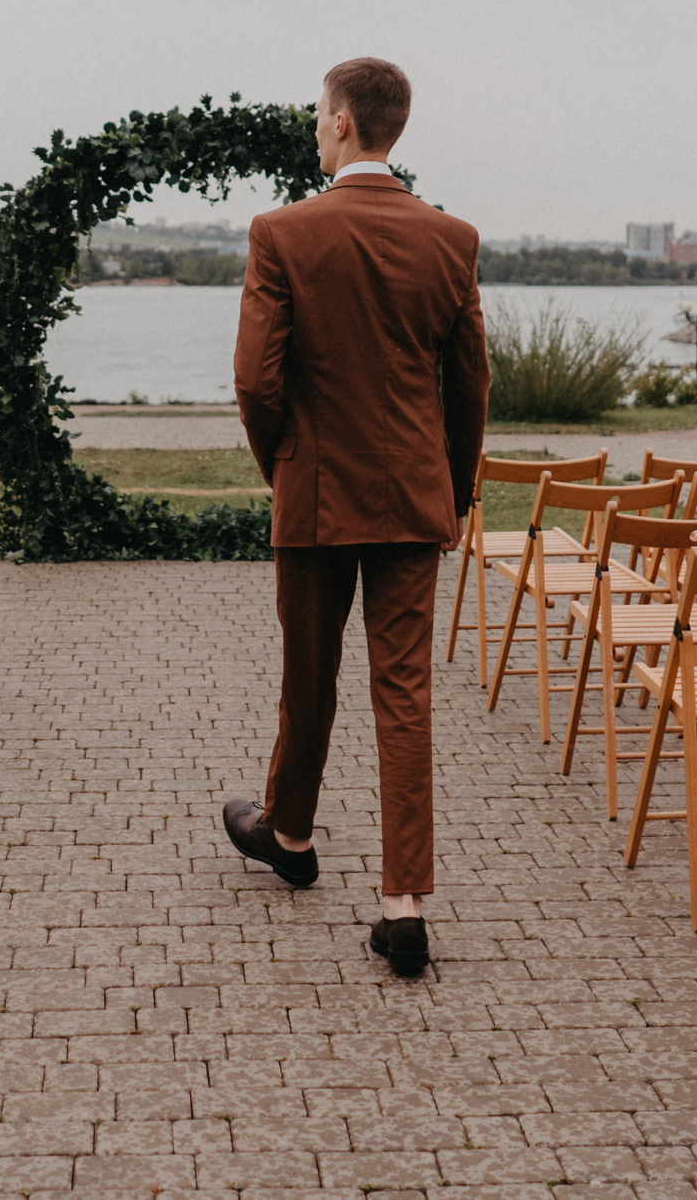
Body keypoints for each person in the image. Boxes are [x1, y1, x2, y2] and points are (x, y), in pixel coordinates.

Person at [225, 56, 488, 977]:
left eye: (317, 114)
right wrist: (449, 491)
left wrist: (283, 465)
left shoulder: (281, 233)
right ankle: (400, 900)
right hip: (414, 497)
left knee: (311, 674)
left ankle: (291, 833)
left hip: (316, 491)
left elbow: (256, 380)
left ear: (342, 124)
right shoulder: (451, 240)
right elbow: (469, 391)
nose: (314, 125)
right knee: (403, 695)